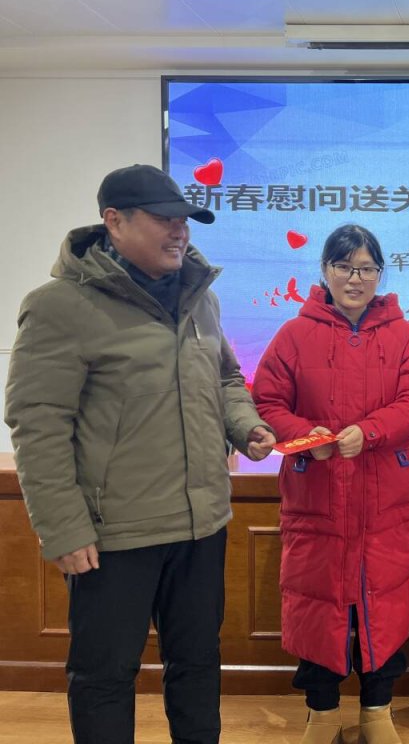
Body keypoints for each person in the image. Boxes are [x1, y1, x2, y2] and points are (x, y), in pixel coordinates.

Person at [4, 163, 276, 744]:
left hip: (201, 524)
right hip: (114, 534)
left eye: (185, 221)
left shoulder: (201, 299)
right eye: (164, 220)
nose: (180, 232)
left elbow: (226, 378)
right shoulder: (60, 306)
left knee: (197, 664)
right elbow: (38, 424)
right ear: (114, 221)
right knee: (104, 675)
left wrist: (245, 426)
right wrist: (63, 528)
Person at [252, 224, 409, 744]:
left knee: (384, 605)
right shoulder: (294, 334)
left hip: (384, 498)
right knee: (318, 606)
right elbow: (266, 402)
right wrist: (306, 436)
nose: (356, 278)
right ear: (325, 271)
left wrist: (370, 432)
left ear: (380, 274)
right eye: (344, 267)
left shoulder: (403, 334)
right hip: (317, 495)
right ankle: (322, 714)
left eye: (367, 268)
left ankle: (377, 713)